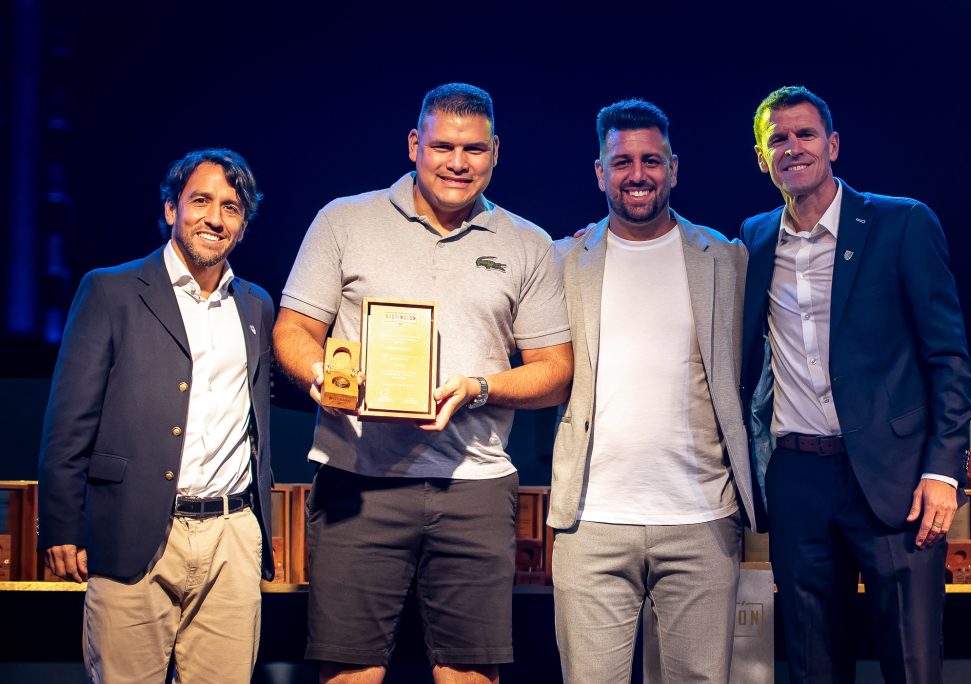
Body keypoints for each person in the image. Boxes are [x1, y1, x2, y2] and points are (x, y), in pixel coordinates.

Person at [272, 82, 573, 684]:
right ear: (414, 144)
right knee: (348, 671)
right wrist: (323, 376)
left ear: (495, 152)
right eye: (442, 147)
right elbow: (293, 330)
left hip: (475, 488)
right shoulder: (344, 220)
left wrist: (479, 388)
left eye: (474, 149)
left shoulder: (527, 243)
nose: (458, 163)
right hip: (356, 479)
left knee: (470, 673)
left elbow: (555, 371)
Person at [740, 85, 971, 683]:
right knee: (812, 666)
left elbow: (948, 357)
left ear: (834, 145)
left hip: (896, 479)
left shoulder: (902, 222)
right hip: (797, 480)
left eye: (806, 134)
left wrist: (943, 471)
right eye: (778, 139)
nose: (793, 147)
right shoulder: (754, 239)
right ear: (763, 158)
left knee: (911, 663)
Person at [37, 148, 276, 683]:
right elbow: (69, 421)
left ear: (243, 226)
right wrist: (60, 525)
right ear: (171, 209)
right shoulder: (110, 291)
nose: (215, 218)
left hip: (232, 537)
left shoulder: (256, 305)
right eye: (201, 201)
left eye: (232, 207)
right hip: (134, 528)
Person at [548, 98, 762, 684]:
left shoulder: (728, 259)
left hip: (703, 521)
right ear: (600, 172)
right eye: (622, 162)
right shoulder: (562, 261)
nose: (637, 174)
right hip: (590, 523)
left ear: (674, 168)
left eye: (651, 160)